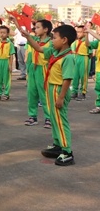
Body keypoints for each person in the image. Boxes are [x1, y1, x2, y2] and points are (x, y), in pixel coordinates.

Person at [17, 22, 77, 166]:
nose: (52, 40)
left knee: (60, 120)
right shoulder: (54, 51)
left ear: (64, 40)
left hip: (58, 90)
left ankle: (67, 152)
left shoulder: (68, 57)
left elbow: (67, 79)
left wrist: (61, 97)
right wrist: (27, 36)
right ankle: (58, 145)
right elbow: (38, 48)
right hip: (51, 88)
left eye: (55, 38)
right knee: (54, 119)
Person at [24, 19, 53, 128]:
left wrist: (28, 36)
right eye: (35, 27)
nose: (35, 29)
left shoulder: (51, 42)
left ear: (45, 29)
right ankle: (32, 116)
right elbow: (23, 32)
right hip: (33, 67)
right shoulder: (35, 39)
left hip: (43, 68)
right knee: (32, 93)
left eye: (38, 27)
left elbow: (40, 50)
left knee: (44, 94)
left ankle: (49, 117)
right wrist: (16, 21)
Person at [0, 26, 15, 100]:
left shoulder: (10, 44)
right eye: (1, 32)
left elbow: (11, 55)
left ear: (7, 34)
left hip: (6, 61)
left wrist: (10, 65)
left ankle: (6, 94)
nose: (2, 34)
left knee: (6, 79)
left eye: (4, 33)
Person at [71, 26, 89, 100]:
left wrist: (87, 35)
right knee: (75, 76)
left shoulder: (86, 41)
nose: (78, 34)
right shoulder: (76, 41)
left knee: (83, 76)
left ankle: (83, 92)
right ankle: (74, 92)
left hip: (84, 58)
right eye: (77, 32)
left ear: (84, 33)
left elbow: (90, 50)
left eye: (80, 32)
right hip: (76, 57)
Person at [86, 27, 100, 114]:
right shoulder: (98, 42)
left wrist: (89, 30)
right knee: (99, 88)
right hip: (99, 69)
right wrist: (86, 34)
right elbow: (88, 44)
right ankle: (99, 106)